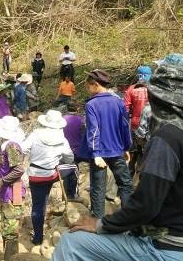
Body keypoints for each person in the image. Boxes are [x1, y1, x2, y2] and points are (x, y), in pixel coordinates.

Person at [45, 58, 183, 261]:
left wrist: (102, 224)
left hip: (168, 251)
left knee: (72, 245)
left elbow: (146, 205)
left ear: (156, 99)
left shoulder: (166, 139)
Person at [82, 69, 133, 219]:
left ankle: (97, 221)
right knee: (126, 184)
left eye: (88, 87)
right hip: (117, 150)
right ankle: (128, 218)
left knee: (98, 188)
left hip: (100, 153)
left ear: (96, 85)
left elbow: (93, 130)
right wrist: (126, 147)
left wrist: (95, 153)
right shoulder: (118, 102)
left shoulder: (91, 104)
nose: (88, 90)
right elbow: (125, 126)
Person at [22, 110, 74, 245]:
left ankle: (38, 237)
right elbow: (69, 158)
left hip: (35, 175)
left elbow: (22, 149)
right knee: (44, 198)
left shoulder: (35, 134)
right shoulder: (62, 138)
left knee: (37, 205)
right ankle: (71, 196)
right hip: (51, 175)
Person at [0, 116, 26, 260]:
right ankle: (8, 257)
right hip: (7, 188)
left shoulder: (12, 146)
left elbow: (19, 170)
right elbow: (6, 167)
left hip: (13, 190)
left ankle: (10, 260)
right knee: (6, 224)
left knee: (10, 226)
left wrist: (1, 181)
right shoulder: (6, 145)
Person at [123, 66, 151, 173]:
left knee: (134, 150)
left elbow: (125, 109)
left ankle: (131, 173)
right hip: (151, 123)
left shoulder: (131, 89)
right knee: (148, 150)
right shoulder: (154, 88)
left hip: (135, 123)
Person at [63, 105, 86, 199]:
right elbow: (84, 133)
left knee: (65, 171)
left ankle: (65, 194)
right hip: (76, 149)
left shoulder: (62, 119)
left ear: (67, 109)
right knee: (74, 171)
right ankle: (72, 194)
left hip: (63, 149)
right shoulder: (81, 120)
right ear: (77, 109)